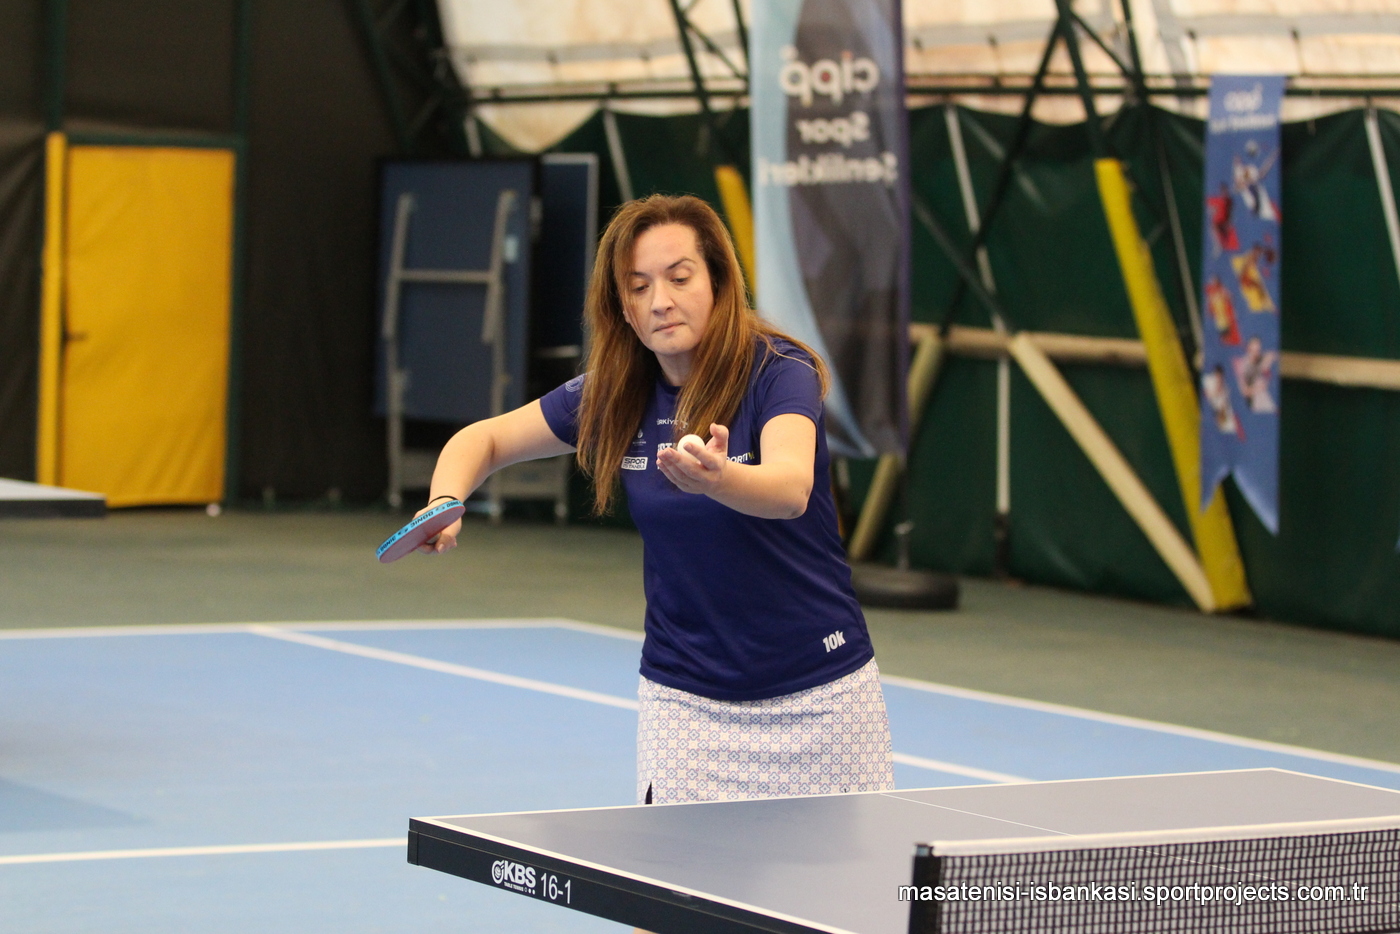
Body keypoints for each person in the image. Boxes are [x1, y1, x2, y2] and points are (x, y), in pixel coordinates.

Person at [413, 193, 895, 807]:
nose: (660, 300)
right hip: (685, 707)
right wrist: (444, 500)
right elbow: (483, 440)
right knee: (681, 871)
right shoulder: (615, 393)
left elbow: (791, 489)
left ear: (718, 282)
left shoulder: (780, 372)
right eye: (639, 287)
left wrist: (719, 479)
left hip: (822, 697)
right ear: (624, 308)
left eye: (679, 277)